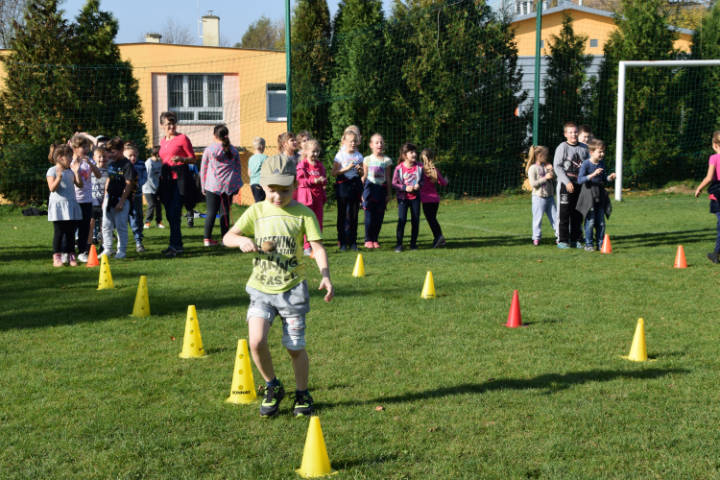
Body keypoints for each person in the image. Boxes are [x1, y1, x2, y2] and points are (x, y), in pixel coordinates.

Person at [222, 154, 334, 418]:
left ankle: (302, 393)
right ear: (263, 187)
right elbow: (228, 236)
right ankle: (272, 384)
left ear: (295, 185)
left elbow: (317, 247)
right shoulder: (257, 211)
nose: (277, 196)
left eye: (284, 190)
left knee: (294, 348)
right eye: (272, 190)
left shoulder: (303, 214)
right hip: (261, 290)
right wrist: (241, 242)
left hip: (292, 291)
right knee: (256, 341)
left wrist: (326, 275)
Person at [158, 111, 195, 257]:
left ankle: (176, 246)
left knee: (174, 212)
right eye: (168, 124)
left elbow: (193, 158)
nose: (171, 126)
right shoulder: (163, 141)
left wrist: (182, 158)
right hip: (165, 179)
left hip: (179, 178)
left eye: (173, 123)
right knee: (168, 213)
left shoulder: (182, 138)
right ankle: (174, 244)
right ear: (162, 125)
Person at [200, 124, 243, 246]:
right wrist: (237, 185)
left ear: (214, 135)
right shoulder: (234, 150)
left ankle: (207, 239)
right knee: (225, 213)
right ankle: (225, 239)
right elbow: (238, 169)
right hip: (228, 187)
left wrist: (203, 186)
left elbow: (203, 169)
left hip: (212, 186)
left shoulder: (209, 150)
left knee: (211, 212)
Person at [553, 122, 589, 249]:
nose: (573, 134)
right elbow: (557, 166)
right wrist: (567, 181)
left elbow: (587, 165)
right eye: (570, 132)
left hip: (579, 185)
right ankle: (562, 240)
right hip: (565, 186)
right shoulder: (562, 147)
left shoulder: (584, 148)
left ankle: (575, 239)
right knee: (564, 213)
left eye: (575, 132)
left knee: (577, 213)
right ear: (565, 134)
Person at [47, 144, 83, 267]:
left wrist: (77, 172)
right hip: (58, 207)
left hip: (70, 205)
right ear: (61, 157)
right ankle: (57, 257)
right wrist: (59, 177)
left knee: (70, 232)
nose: (71, 159)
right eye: (69, 157)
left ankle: (71, 255)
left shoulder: (70, 171)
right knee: (59, 232)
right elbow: (52, 188)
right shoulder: (52, 170)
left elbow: (80, 185)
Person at [577, 138, 615, 252]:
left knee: (601, 222)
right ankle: (588, 244)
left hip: (600, 195)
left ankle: (601, 244)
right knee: (590, 221)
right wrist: (593, 174)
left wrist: (610, 178)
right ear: (592, 152)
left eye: (603, 151)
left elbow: (603, 178)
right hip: (589, 195)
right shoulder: (586, 164)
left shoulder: (602, 163)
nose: (602, 154)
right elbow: (580, 180)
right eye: (600, 151)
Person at [102, 137, 136, 259]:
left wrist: (121, 202)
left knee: (121, 226)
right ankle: (107, 249)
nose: (110, 154)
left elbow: (128, 184)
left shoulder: (127, 165)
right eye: (109, 151)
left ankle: (121, 251)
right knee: (106, 225)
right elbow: (108, 179)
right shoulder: (111, 162)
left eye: (113, 151)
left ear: (121, 150)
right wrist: (105, 197)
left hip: (121, 200)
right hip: (109, 198)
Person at [69, 134, 101, 262]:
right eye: (83, 147)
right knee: (72, 227)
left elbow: (98, 175)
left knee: (85, 227)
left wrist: (91, 165)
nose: (86, 149)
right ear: (75, 148)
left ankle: (82, 251)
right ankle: (69, 252)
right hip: (75, 200)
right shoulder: (71, 162)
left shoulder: (90, 161)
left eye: (87, 146)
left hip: (87, 200)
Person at [331, 129, 363, 251]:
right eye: (350, 141)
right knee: (342, 215)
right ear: (344, 141)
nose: (353, 144)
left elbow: (362, 174)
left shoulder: (359, 156)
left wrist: (360, 170)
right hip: (343, 186)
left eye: (355, 141)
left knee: (353, 215)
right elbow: (334, 173)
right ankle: (342, 241)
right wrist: (347, 168)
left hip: (355, 185)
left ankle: (353, 242)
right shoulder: (340, 155)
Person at [296, 138, 327, 256]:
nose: (315, 154)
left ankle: (317, 246)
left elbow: (324, 179)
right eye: (313, 151)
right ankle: (307, 247)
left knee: (318, 222)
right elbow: (300, 181)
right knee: (307, 222)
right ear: (306, 152)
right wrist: (314, 180)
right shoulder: (302, 165)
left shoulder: (320, 165)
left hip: (318, 198)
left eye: (317, 151)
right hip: (306, 199)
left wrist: (323, 181)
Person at [362, 133, 393, 249]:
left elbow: (388, 178)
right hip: (369, 190)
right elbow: (364, 177)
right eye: (376, 142)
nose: (379, 144)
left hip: (381, 190)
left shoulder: (387, 160)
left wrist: (389, 193)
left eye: (381, 142)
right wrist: (362, 193)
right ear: (371, 145)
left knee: (379, 216)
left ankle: (375, 239)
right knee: (369, 216)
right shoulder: (367, 159)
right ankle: (368, 239)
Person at [694, 131, 720, 263]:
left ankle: (716, 253)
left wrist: (699, 187)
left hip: (718, 192)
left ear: (715, 144)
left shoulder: (714, 158)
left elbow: (709, 177)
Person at [392, 143, 423, 252]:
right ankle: (399, 244)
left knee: (415, 221)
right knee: (402, 220)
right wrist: (405, 188)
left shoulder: (419, 167)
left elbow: (423, 181)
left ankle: (413, 244)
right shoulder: (399, 168)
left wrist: (419, 185)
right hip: (403, 199)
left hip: (415, 198)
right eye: (411, 152)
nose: (414, 154)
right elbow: (394, 183)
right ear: (405, 155)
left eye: (415, 152)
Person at [526, 145, 557, 246]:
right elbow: (533, 184)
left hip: (550, 197)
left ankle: (560, 236)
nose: (547, 157)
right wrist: (545, 177)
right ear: (538, 155)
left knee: (555, 217)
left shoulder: (546, 166)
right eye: (545, 155)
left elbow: (554, 179)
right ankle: (536, 238)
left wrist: (551, 171)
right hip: (538, 197)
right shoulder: (533, 168)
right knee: (537, 218)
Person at [419, 148, 448, 248]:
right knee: (433, 219)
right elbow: (443, 183)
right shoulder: (434, 169)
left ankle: (439, 237)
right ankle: (440, 238)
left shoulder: (421, 170)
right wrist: (446, 180)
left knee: (431, 220)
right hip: (435, 200)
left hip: (426, 200)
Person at [124, 142, 146, 253]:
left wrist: (138, 184)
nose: (133, 158)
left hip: (137, 196)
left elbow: (144, 178)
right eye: (130, 156)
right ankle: (120, 243)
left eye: (134, 155)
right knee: (123, 219)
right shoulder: (122, 165)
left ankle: (138, 241)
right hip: (124, 197)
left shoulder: (141, 164)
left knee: (137, 217)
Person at [90, 146, 109, 249]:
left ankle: (103, 245)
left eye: (105, 156)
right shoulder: (90, 170)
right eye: (100, 156)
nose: (102, 159)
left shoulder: (109, 171)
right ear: (94, 158)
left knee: (103, 225)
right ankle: (90, 244)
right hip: (92, 202)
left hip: (104, 202)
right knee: (91, 223)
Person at [143, 146, 164, 229]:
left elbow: (160, 175)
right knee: (151, 205)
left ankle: (159, 222)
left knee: (158, 205)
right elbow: (148, 177)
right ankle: (147, 222)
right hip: (148, 188)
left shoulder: (160, 162)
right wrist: (155, 187)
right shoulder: (149, 163)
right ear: (157, 154)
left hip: (157, 187)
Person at [249, 137, 267, 203]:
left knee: (258, 201)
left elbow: (249, 172)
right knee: (261, 202)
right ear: (262, 146)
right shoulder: (265, 157)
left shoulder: (251, 158)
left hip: (253, 184)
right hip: (261, 184)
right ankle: (258, 213)